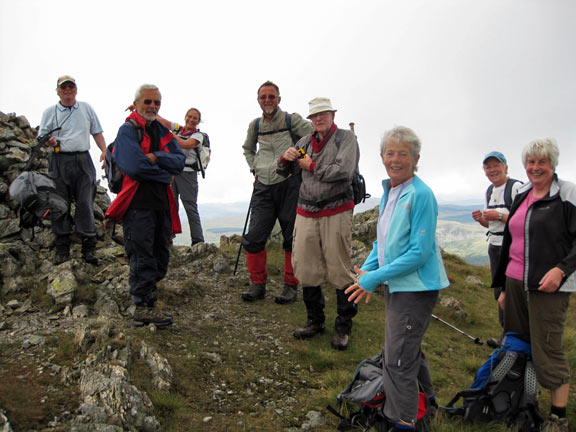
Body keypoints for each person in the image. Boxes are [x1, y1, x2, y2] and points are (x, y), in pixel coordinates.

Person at [345, 126, 449, 430]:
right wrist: (366, 271)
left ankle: (403, 422)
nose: (395, 159)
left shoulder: (421, 194)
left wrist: (375, 278)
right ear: (381, 157)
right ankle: (428, 407)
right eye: (390, 153)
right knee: (408, 350)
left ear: (416, 158)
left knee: (397, 362)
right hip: (399, 287)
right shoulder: (392, 190)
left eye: (403, 154)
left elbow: (418, 253)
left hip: (416, 290)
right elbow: (384, 242)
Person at [493, 138, 575, 432]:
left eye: (542, 162)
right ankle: (520, 401)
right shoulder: (522, 193)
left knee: (547, 348)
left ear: (553, 164)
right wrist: (503, 286)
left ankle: (558, 417)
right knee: (516, 342)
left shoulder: (566, 194)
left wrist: (561, 270)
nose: (535, 168)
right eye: (531, 162)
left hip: (548, 286)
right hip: (514, 282)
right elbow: (512, 241)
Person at [279, 97, 359, 351]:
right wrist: (285, 158)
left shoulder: (346, 139)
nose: (318, 119)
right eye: (314, 116)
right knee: (306, 266)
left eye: (323, 114)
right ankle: (315, 321)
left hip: (337, 209)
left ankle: (343, 325)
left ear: (333, 114)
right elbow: (286, 172)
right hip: (306, 210)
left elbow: (344, 171)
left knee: (340, 268)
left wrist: (310, 165)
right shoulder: (304, 142)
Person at [106, 84, 185, 327]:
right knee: (142, 254)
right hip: (137, 203)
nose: (152, 106)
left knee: (161, 254)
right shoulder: (127, 130)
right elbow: (134, 167)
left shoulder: (160, 130)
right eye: (148, 102)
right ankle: (141, 306)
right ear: (137, 103)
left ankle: (148, 299)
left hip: (160, 202)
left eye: (156, 103)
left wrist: (157, 157)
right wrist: (163, 173)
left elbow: (180, 162)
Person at [241, 81, 313, 304]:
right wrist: (256, 167)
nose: (267, 100)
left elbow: (313, 137)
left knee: (291, 236)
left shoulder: (292, 120)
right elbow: (247, 149)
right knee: (254, 236)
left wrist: (300, 158)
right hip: (263, 184)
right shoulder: (255, 125)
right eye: (263, 97)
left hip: (290, 183)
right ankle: (257, 285)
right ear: (258, 100)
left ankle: (290, 287)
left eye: (271, 96)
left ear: (279, 99)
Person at [39, 75, 107, 265]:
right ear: (58, 91)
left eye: (71, 87)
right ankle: (62, 248)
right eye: (64, 87)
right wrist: (49, 141)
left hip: (83, 159)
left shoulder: (86, 108)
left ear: (76, 89)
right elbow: (42, 137)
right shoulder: (49, 112)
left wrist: (104, 151)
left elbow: (97, 132)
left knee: (85, 202)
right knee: (59, 203)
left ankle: (89, 247)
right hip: (59, 160)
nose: (68, 90)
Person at [471, 151, 521, 336]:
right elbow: (491, 225)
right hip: (494, 247)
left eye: (496, 165)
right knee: (500, 292)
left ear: (505, 167)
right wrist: (481, 220)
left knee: (512, 294)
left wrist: (499, 215)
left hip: (512, 248)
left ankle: (514, 337)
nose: (492, 170)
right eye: (488, 167)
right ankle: (506, 334)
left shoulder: (516, 187)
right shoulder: (490, 191)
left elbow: (523, 221)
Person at [157, 108, 206, 246]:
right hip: (172, 172)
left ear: (198, 121)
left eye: (194, 118)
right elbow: (160, 119)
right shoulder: (178, 129)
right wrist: (139, 108)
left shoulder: (198, 136)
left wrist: (168, 135)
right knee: (170, 205)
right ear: (185, 117)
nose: (191, 120)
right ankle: (168, 237)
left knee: (190, 207)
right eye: (189, 116)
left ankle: (198, 240)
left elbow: (185, 144)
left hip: (188, 174)